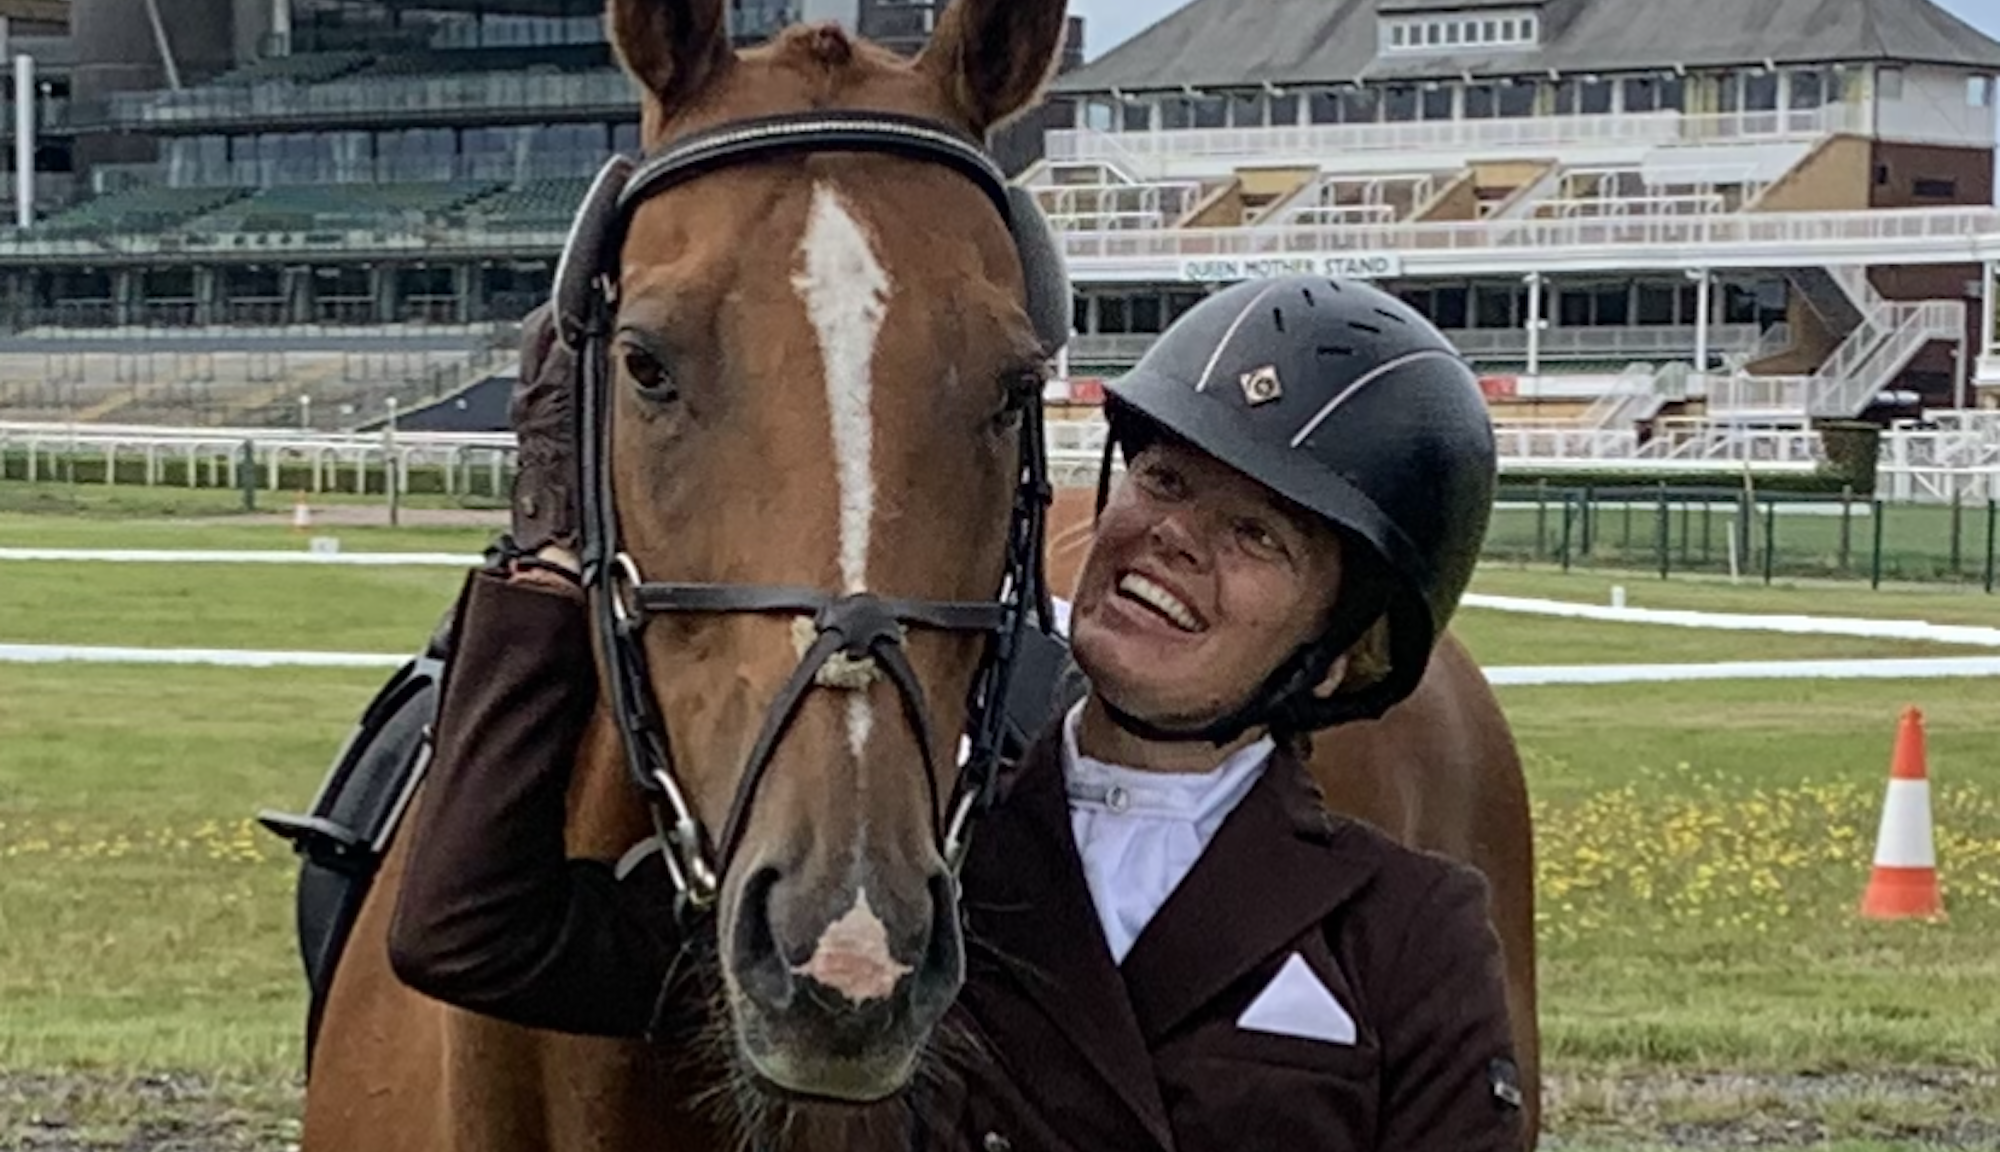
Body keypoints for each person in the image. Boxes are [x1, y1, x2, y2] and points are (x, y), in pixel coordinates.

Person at [387, 277, 1524, 1152]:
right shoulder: (908, 868)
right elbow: (470, 931)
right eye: (1166, 482)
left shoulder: (1407, 931)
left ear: (1345, 652)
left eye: (1255, 534)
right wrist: (544, 550)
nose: (1173, 536)